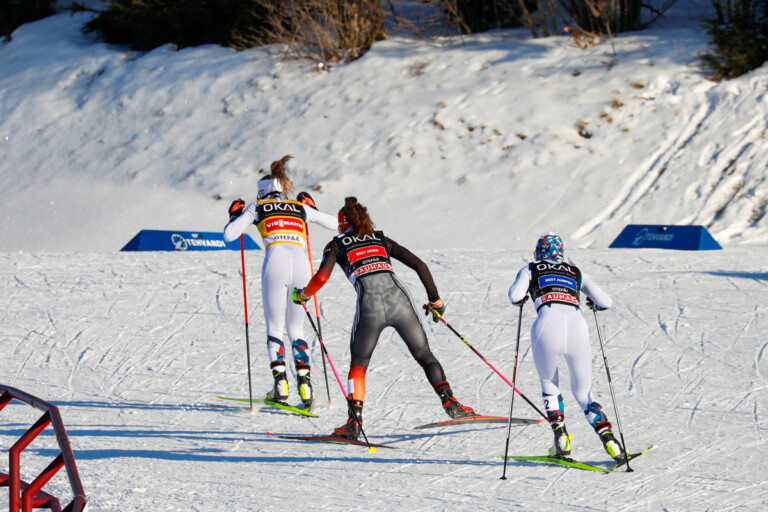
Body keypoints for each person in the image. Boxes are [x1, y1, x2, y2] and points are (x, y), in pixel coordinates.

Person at [291, 197, 476, 440]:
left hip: (370, 307)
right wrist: (435, 301)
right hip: (399, 302)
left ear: (341, 224)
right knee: (424, 355)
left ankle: (354, 424)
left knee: (359, 364)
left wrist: (303, 295)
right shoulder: (380, 238)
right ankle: (451, 403)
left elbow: (322, 277)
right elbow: (420, 265)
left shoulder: (337, 244)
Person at [223, 155, 337, 409]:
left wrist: (235, 215)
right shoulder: (298, 207)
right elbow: (335, 224)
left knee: (275, 326)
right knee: (297, 329)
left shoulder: (257, 206)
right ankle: (305, 387)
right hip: (302, 264)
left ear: (262, 190)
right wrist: (312, 208)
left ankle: (280, 386)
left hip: (275, 261)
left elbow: (230, 235)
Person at [507, 232, 626, 462]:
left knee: (549, 383)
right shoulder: (575, 271)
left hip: (546, 325)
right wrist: (594, 305)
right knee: (583, 392)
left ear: (538, 251)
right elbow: (606, 302)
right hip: (577, 327)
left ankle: (561, 439)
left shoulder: (531, 268)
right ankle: (611, 441)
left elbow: (515, 296)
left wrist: (524, 296)